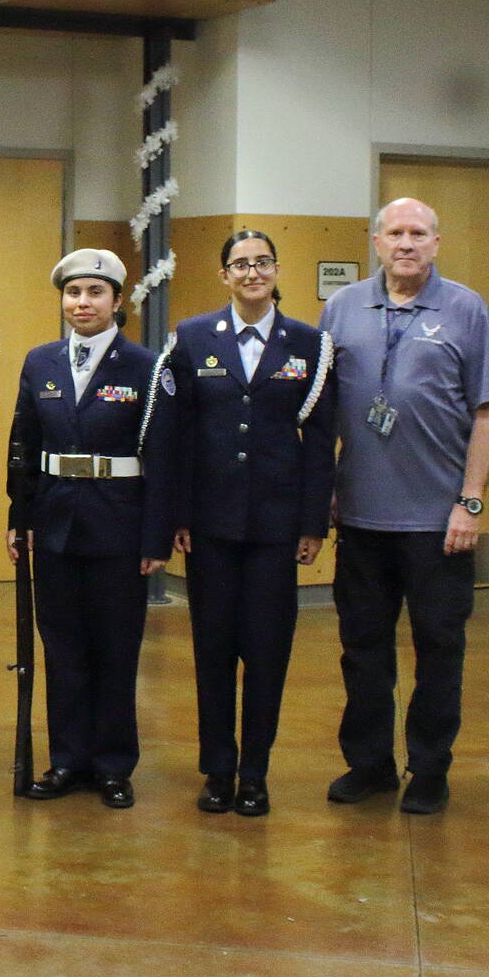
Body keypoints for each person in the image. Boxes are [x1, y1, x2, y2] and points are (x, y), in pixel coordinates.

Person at [318, 198, 489, 815]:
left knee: (439, 650)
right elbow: (320, 412)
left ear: (436, 242)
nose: (406, 243)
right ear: (375, 241)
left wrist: (471, 503)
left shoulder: (466, 309)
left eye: (418, 233)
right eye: (395, 233)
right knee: (363, 650)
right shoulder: (342, 308)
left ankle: (429, 769)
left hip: (437, 522)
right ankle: (368, 764)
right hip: (362, 519)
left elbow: (488, 412)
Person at [168, 230, 336, 816]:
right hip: (209, 526)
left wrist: (313, 521)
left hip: (276, 526)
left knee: (267, 652)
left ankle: (255, 772)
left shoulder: (310, 344)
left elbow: (318, 440)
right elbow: (179, 434)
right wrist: (179, 515)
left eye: (262, 262)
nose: (251, 272)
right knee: (212, 650)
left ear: (276, 269)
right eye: (239, 264)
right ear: (224, 275)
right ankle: (217, 769)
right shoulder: (191, 338)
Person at [5, 250, 174, 809]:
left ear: (117, 302)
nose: (83, 303)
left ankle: (112, 763)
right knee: (63, 647)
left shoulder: (147, 366)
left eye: (95, 293)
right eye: (74, 293)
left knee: (115, 648)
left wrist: (156, 536)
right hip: (53, 524)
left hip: (119, 526)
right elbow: (22, 446)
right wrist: (18, 518)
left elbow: (163, 457)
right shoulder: (41, 361)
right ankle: (67, 759)